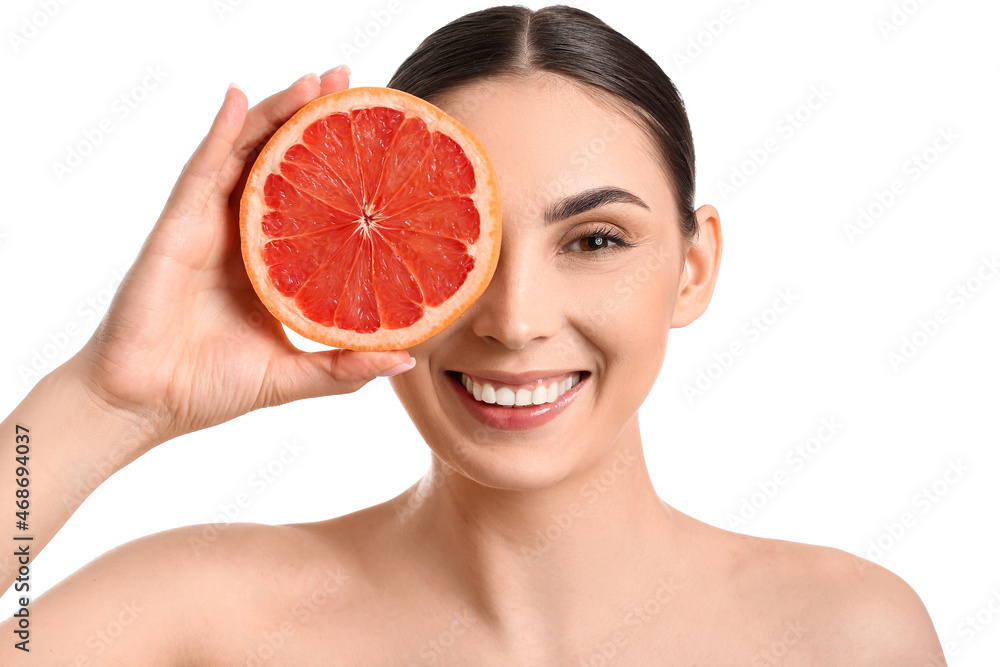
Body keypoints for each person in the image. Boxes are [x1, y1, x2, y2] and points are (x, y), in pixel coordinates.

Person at [1, 5, 945, 664]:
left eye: (596, 239)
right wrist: (109, 400)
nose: (515, 319)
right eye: (463, 247)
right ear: (370, 267)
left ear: (693, 268)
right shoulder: (202, 618)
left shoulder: (850, 635)